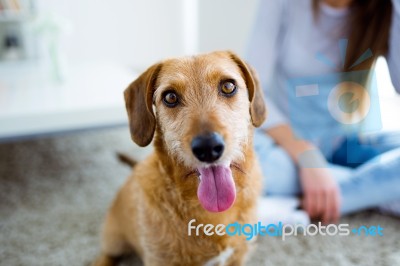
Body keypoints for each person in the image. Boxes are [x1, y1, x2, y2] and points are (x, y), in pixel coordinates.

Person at [247, 0, 400, 224]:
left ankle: (306, 202)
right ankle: (377, 189)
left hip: (347, 143)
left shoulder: (385, 8)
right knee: (246, 166)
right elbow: (251, 92)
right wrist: (309, 158)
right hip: (285, 145)